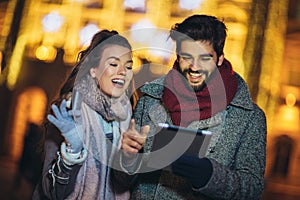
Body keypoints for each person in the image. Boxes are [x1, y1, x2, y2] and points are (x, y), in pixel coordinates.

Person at [119, 14, 267, 200]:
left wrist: (209, 175)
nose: (195, 67)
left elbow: (253, 189)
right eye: (187, 57)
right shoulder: (150, 100)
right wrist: (128, 158)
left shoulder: (249, 118)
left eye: (205, 58)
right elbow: (124, 183)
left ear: (220, 58)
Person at [32, 30, 149, 200]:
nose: (123, 71)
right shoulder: (69, 111)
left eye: (129, 66)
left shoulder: (127, 116)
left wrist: (128, 157)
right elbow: (52, 192)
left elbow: (123, 185)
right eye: (114, 64)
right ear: (93, 70)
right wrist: (72, 152)